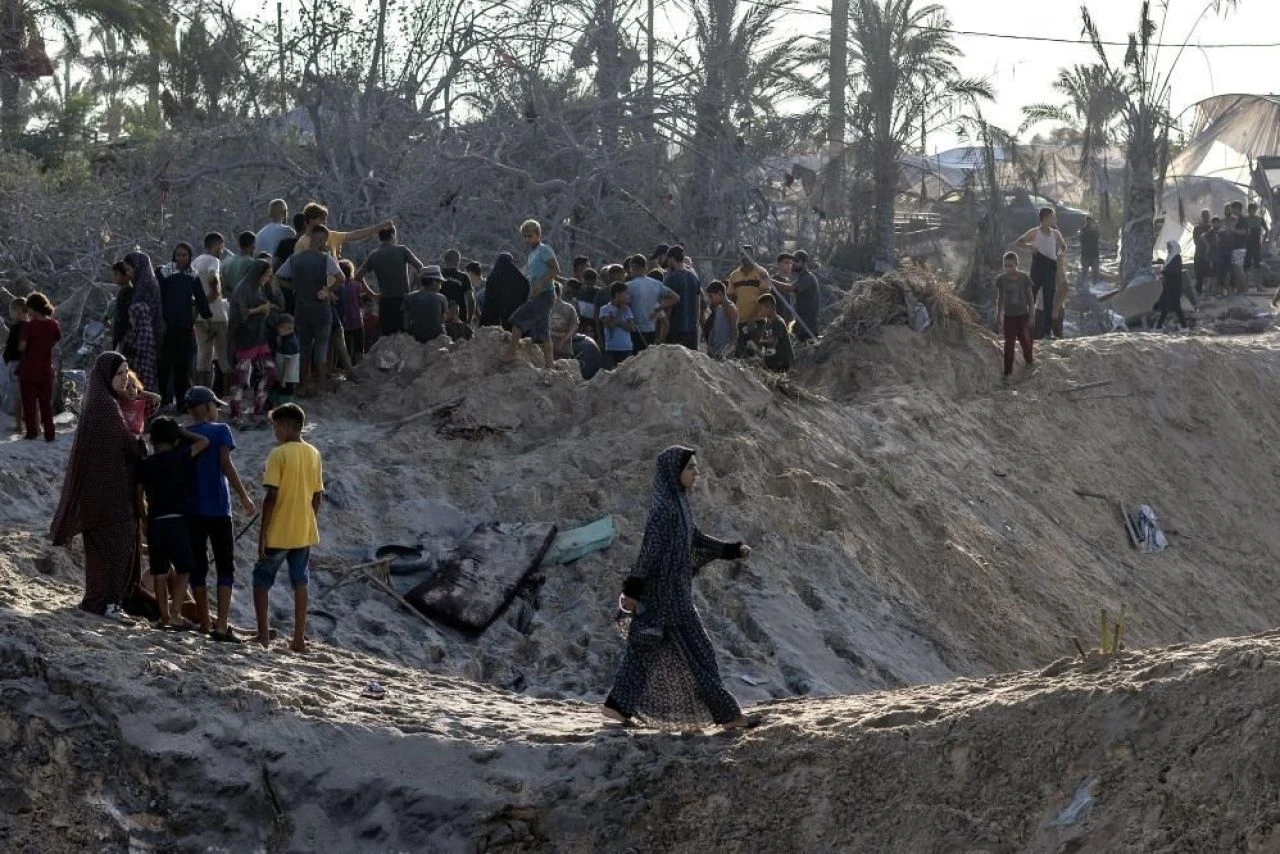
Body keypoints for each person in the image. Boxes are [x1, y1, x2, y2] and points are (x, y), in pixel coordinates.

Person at [602, 447, 757, 731]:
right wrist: (633, 591)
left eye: (696, 467)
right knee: (700, 653)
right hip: (663, 598)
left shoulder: (679, 503)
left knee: (643, 654)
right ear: (674, 472)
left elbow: (694, 539)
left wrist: (729, 550)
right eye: (691, 468)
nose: (696, 472)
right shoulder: (664, 511)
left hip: (675, 594)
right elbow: (648, 553)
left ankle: (616, 706)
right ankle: (729, 716)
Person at [51, 352, 148, 622]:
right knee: (116, 547)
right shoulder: (105, 406)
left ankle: (100, 601)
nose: (124, 379)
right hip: (109, 492)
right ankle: (107, 604)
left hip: (102, 489)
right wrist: (142, 444)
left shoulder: (100, 400)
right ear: (106, 375)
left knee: (103, 551)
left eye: (126, 373)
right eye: (119, 374)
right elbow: (128, 442)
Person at [184, 386, 255, 640]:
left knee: (198, 567)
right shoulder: (220, 431)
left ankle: (204, 622)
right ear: (205, 407)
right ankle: (222, 624)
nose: (217, 411)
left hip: (192, 510)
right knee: (225, 566)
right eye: (215, 406)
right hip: (218, 509)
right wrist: (244, 495)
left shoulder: (184, 433)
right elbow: (226, 464)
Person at [253, 403, 324, 652]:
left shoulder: (278, 454)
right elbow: (317, 495)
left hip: (279, 531)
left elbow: (271, 497)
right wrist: (309, 519)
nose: (274, 432)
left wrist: (262, 536)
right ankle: (298, 638)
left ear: (286, 426)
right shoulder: (313, 453)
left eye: (275, 426)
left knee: (261, 579)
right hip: (303, 531)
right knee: (300, 581)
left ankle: (263, 635)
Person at [136, 416, 210, 629]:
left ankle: (164, 617)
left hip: (155, 521)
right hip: (178, 521)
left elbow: (138, 494)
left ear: (151, 440)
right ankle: (176, 611)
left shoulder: (146, 463)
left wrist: (143, 519)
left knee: (159, 570)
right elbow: (204, 442)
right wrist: (183, 432)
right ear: (175, 439)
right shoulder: (180, 456)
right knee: (184, 568)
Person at [276, 226, 343, 396]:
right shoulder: (325, 259)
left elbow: (278, 277)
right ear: (321, 240)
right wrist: (328, 291)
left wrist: (294, 287)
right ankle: (321, 388)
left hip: (301, 309)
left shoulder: (294, 259)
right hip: (321, 310)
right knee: (321, 349)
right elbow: (341, 278)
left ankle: (301, 387)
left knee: (303, 349)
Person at [157, 243, 213, 407]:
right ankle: (163, 400)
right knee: (165, 365)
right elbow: (158, 297)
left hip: (185, 326)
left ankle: (181, 401)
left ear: (189, 257)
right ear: (174, 256)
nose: (182, 258)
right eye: (179, 255)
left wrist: (208, 318)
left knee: (183, 365)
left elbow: (201, 298)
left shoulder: (192, 275)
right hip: (167, 326)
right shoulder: (165, 273)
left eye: (185, 255)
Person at [227, 259, 279, 430]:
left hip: (259, 336)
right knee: (241, 378)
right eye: (266, 275)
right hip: (245, 339)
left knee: (269, 371)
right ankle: (235, 414)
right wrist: (259, 310)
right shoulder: (243, 289)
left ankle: (256, 410)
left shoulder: (259, 288)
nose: (267, 279)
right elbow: (238, 314)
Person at [505, 220, 560, 368]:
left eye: (530, 236)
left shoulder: (544, 250)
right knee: (543, 332)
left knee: (516, 319)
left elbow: (555, 269)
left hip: (546, 293)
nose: (527, 240)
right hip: (537, 294)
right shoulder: (531, 254)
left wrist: (542, 283)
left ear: (538, 234)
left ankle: (510, 353)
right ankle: (549, 365)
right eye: (525, 236)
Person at [355, 226, 424, 336]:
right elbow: (420, 267)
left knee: (386, 338)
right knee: (404, 337)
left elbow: (358, 277)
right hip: (403, 300)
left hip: (385, 301)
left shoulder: (374, 254)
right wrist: (419, 290)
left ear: (380, 237)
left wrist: (371, 294)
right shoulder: (402, 250)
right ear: (393, 235)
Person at [1016, 208, 1067, 340]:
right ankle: (1022, 330)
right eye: (1052, 216)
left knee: (1048, 299)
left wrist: (1060, 255)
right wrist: (1030, 247)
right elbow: (1019, 242)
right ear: (1045, 218)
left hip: (1050, 266)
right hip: (1038, 265)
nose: (1055, 218)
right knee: (1030, 297)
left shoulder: (1056, 233)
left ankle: (1047, 332)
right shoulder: (1035, 232)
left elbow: (1063, 246)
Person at [18, 292, 60, 441]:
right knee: (45, 403)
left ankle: (32, 432)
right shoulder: (53, 324)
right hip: (45, 369)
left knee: (29, 402)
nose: (28, 312)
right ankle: (50, 433)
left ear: (34, 308)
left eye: (29, 308)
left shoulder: (29, 326)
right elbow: (55, 341)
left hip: (29, 369)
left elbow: (22, 347)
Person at [122, 251, 162, 399]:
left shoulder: (146, 287)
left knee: (142, 382)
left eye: (128, 270)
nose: (127, 274)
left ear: (137, 268)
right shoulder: (139, 287)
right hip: (137, 340)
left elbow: (144, 320)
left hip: (144, 342)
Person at [292, 201, 391, 257]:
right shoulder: (301, 243)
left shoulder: (332, 236)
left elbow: (357, 234)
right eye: (322, 219)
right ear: (310, 220)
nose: (325, 222)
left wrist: (380, 226)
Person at [994, 252, 1035, 385]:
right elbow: (1000, 298)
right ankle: (1007, 372)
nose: (1008, 268)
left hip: (1023, 315)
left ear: (1017, 265)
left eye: (1010, 265)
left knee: (1025, 341)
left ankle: (1029, 362)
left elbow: (1030, 297)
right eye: (1005, 266)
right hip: (1009, 317)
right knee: (1009, 345)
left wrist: (1032, 315)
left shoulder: (1024, 278)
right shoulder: (1001, 279)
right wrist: (999, 313)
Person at [624, 255, 678, 351]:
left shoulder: (628, 286)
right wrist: (659, 308)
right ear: (645, 267)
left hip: (636, 331)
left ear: (633, 267)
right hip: (652, 330)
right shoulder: (656, 284)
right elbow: (676, 298)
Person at [193, 268, 228, 392]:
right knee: (211, 360)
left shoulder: (222, 303)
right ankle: (209, 391)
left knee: (205, 359)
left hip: (213, 355)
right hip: (210, 326)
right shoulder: (220, 304)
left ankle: (205, 391)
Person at [662, 247, 702, 350]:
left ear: (671, 259)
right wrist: (695, 325)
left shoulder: (670, 278)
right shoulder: (694, 277)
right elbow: (697, 305)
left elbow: (668, 307)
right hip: (691, 330)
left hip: (675, 329)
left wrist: (663, 331)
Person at [479, 252, 529, 330]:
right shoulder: (517, 277)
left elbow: (488, 297)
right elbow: (526, 287)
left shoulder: (492, 277)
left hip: (493, 316)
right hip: (511, 314)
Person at [747, 294, 794, 373]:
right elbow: (764, 343)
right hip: (773, 361)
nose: (759, 311)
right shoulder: (767, 324)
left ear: (769, 307)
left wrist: (758, 349)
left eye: (761, 308)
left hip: (781, 362)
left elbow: (773, 343)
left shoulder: (778, 322)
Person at [339, 261, 375, 363]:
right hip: (357, 320)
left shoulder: (339, 287)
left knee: (346, 346)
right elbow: (360, 302)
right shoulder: (356, 285)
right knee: (359, 347)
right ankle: (359, 365)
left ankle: (346, 368)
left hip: (344, 321)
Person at [404, 266, 448, 343]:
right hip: (436, 336)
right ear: (434, 282)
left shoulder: (409, 297)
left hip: (416, 336)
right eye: (440, 282)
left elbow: (406, 320)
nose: (441, 286)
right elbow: (443, 320)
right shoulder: (441, 298)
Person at [3, 297, 27, 434]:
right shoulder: (32, 327)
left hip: (16, 364)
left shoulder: (16, 328)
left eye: (11, 311)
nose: (11, 314)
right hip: (29, 365)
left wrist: (7, 358)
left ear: (18, 311)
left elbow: (11, 347)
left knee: (18, 397)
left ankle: (19, 426)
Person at [599, 282, 636, 368]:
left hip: (626, 348)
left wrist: (618, 322)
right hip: (612, 348)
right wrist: (620, 312)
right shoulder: (605, 309)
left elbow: (632, 327)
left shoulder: (628, 309)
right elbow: (610, 325)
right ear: (617, 294)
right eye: (625, 293)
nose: (628, 296)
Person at [1155, 240, 1188, 331]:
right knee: (1168, 307)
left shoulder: (1177, 258)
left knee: (1172, 307)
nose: (1168, 249)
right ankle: (1159, 326)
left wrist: (1164, 271)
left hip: (1175, 286)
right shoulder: (1170, 257)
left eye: (1169, 247)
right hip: (1168, 286)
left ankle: (1159, 327)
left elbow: (1174, 270)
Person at [119, 370, 160, 437]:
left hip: (137, 441)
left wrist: (140, 393)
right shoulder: (116, 405)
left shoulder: (140, 405)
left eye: (134, 386)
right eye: (126, 387)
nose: (131, 389)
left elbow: (158, 398)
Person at [440, 249, 475, 324]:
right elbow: (471, 300)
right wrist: (469, 321)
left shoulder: (438, 276)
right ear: (458, 261)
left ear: (445, 260)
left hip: (441, 319)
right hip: (459, 319)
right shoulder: (463, 277)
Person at [271, 314, 300, 407]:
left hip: (287, 377)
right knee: (278, 394)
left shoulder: (290, 343)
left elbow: (288, 362)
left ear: (288, 328)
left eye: (280, 329)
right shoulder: (286, 338)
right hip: (281, 375)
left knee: (285, 397)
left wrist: (284, 379)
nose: (278, 330)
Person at [705, 281, 738, 360]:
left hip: (724, 355)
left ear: (719, 293)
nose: (710, 300)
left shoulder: (731, 308)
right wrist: (709, 346)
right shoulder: (718, 308)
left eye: (711, 296)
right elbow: (713, 330)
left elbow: (734, 335)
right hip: (715, 352)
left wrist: (726, 353)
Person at [549, 282, 579, 360]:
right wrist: (563, 340)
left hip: (547, 348)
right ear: (560, 292)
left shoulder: (544, 307)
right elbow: (574, 328)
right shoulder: (570, 307)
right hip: (564, 349)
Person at [109, 261, 133, 352]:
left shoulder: (127, 292)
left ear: (126, 275)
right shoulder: (123, 291)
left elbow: (124, 316)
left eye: (116, 274)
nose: (114, 278)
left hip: (124, 335)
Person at [1192, 209, 1213, 296]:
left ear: (1209, 216)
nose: (1205, 217)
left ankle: (1208, 291)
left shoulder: (1211, 228)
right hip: (1199, 253)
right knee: (1199, 274)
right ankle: (1199, 291)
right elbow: (1196, 241)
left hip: (1208, 253)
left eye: (1207, 215)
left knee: (1209, 273)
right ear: (1202, 216)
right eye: (1204, 215)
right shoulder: (1197, 228)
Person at [1244, 202, 1269, 275]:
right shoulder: (1245, 219)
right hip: (1247, 245)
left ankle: (1258, 284)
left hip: (1257, 245)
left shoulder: (1260, 219)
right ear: (1248, 210)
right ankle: (1246, 283)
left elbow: (1267, 230)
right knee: (1246, 265)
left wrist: (1264, 240)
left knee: (1258, 265)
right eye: (1250, 209)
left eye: (1253, 209)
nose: (1252, 211)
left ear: (1255, 210)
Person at [1079, 215, 1101, 286]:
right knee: (1092, 273)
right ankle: (1090, 286)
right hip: (1090, 254)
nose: (1088, 223)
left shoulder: (1083, 230)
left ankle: (1087, 287)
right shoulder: (1085, 230)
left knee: (1087, 272)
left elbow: (1081, 240)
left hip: (1088, 254)